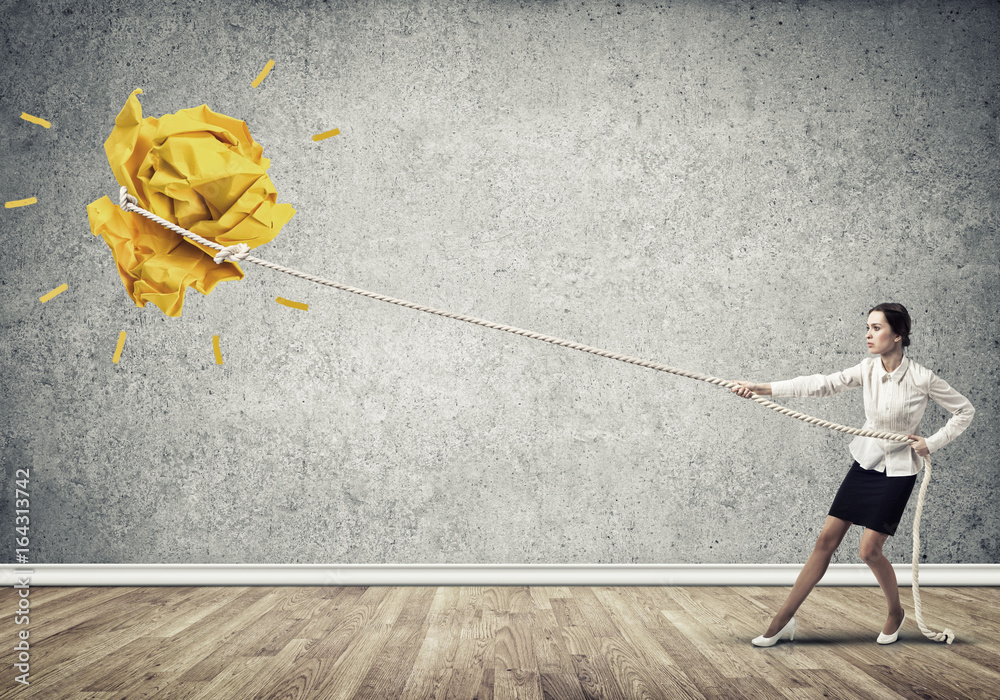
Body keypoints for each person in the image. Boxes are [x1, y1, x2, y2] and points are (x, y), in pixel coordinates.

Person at [731, 303, 975, 647]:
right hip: (865, 463)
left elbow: (964, 410)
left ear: (898, 335)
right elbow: (821, 384)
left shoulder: (922, 378)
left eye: (876, 328)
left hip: (898, 472)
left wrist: (932, 442)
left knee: (869, 552)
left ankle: (895, 613)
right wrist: (762, 387)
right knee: (825, 541)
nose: (868, 334)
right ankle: (781, 620)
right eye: (868, 327)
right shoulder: (867, 369)